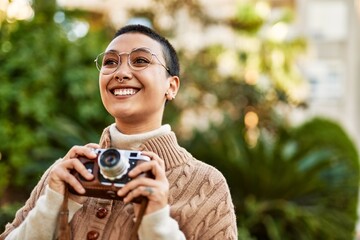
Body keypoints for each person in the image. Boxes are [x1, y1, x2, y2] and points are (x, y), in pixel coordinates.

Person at [0, 24, 237, 240]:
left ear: (171, 86)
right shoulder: (66, 173)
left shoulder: (207, 184)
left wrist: (156, 222)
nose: (120, 72)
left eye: (141, 60)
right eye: (110, 62)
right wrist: (52, 206)